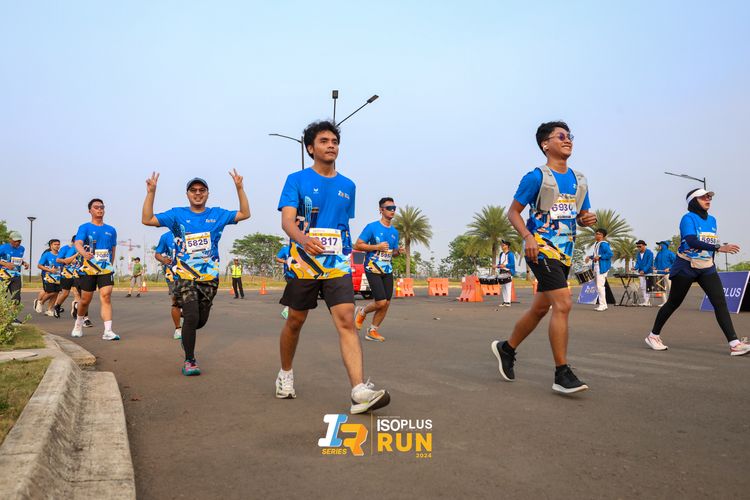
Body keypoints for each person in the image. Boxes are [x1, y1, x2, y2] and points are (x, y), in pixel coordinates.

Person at [275, 120, 390, 414]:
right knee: (295, 320)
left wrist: (346, 252)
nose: (331, 145)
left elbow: (342, 223)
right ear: (310, 148)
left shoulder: (348, 186)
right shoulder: (296, 180)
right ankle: (285, 373)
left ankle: (358, 391)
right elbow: (287, 221)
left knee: (346, 320)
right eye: (324, 141)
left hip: (336, 262)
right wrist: (303, 240)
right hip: (303, 262)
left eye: (335, 141)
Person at [491, 121, 597, 395]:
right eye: (560, 136)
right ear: (545, 144)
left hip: (565, 253)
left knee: (540, 309)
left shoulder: (579, 180)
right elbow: (513, 212)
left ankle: (507, 348)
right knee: (563, 303)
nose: (568, 140)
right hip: (540, 249)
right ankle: (562, 373)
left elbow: (580, 216)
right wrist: (528, 237)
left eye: (570, 135)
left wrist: (586, 220)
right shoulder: (536, 177)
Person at [142, 170, 250, 376]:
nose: (198, 193)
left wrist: (239, 188)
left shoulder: (217, 214)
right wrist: (151, 192)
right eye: (193, 190)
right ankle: (189, 360)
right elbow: (147, 219)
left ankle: (187, 329)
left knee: (199, 321)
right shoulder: (177, 214)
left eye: (202, 190)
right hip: (184, 276)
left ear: (207, 193)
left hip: (209, 277)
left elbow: (245, 213)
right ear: (187, 194)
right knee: (191, 316)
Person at [644, 189, 749, 356]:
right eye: (704, 197)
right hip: (686, 266)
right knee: (673, 303)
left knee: (720, 302)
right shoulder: (688, 218)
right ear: (693, 201)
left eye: (709, 197)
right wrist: (718, 247)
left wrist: (712, 258)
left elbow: (708, 244)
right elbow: (691, 240)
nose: (708, 199)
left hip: (706, 267)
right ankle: (653, 336)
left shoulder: (712, 220)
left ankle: (734, 344)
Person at [353, 197, 401, 342]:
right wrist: (376, 247)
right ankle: (362, 311)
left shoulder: (394, 232)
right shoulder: (372, 227)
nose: (392, 211)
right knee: (380, 302)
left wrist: (398, 251)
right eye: (389, 208)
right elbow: (358, 245)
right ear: (381, 210)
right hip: (372, 268)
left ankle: (372, 331)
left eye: (394, 208)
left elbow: (393, 252)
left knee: (386, 303)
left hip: (387, 270)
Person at [72, 198, 119, 340]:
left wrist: (110, 265)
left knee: (106, 296)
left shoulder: (111, 230)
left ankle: (108, 331)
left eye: (102, 207)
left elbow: (113, 249)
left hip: (105, 268)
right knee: (85, 300)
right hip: (89, 268)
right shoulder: (84, 227)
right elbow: (78, 243)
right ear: (90, 210)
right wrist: (83, 253)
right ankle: (78, 324)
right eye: (96, 207)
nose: (100, 209)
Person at [154, 229, 182, 340]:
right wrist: (163, 260)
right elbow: (157, 254)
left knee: (189, 300)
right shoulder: (165, 236)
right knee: (175, 300)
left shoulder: (190, 232)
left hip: (189, 272)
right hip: (172, 273)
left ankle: (183, 316)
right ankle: (178, 329)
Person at [53, 235, 87, 323]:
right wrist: (70, 259)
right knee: (65, 293)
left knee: (77, 293)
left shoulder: (84, 249)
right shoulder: (66, 248)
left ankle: (78, 311)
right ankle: (57, 306)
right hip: (67, 274)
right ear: (74, 242)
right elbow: (59, 260)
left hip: (78, 274)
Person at [0, 231, 29, 325]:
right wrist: (5, 264)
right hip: (3, 276)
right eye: (16, 241)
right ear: (10, 240)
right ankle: (2, 318)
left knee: (16, 297)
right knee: (2, 297)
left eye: (19, 241)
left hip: (16, 276)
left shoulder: (22, 248)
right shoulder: (3, 247)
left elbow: (18, 259)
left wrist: (24, 263)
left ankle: (13, 318)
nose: (18, 243)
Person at [585, 228, 613, 312]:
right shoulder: (597, 244)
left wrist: (600, 256)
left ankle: (602, 305)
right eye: (596, 233)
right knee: (598, 287)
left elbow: (610, 254)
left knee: (600, 286)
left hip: (602, 267)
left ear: (603, 236)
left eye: (599, 234)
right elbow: (596, 255)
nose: (597, 235)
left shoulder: (604, 244)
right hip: (596, 267)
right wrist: (589, 257)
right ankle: (603, 305)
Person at [36, 239, 62, 317]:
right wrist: (49, 270)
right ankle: (40, 302)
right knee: (50, 292)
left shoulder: (61, 254)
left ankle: (49, 310)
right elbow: (39, 265)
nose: (57, 246)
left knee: (56, 293)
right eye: (55, 244)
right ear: (51, 246)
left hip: (58, 277)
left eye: (58, 244)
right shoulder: (47, 254)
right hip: (48, 277)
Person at [653, 240, 676, 307]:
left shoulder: (670, 253)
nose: (658, 246)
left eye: (660, 245)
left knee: (670, 288)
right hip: (660, 274)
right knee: (661, 288)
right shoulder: (659, 253)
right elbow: (655, 262)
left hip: (668, 274)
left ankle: (671, 303)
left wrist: (669, 268)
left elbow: (675, 262)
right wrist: (655, 266)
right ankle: (664, 302)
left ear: (664, 245)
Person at [634, 239, 654, 306]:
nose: (638, 248)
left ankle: (647, 301)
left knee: (647, 287)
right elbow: (638, 263)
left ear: (644, 246)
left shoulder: (649, 253)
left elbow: (649, 263)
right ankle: (646, 301)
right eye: (637, 246)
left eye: (639, 246)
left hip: (648, 272)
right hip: (641, 272)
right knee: (642, 286)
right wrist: (635, 267)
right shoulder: (638, 254)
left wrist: (644, 270)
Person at [496, 240, 516, 307]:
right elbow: (500, 263)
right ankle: (505, 301)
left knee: (508, 287)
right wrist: (497, 266)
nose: (502, 246)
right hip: (502, 272)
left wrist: (505, 265)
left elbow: (512, 264)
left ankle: (508, 302)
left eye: (503, 245)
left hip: (508, 272)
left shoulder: (510, 254)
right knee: (503, 288)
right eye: (502, 245)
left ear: (507, 246)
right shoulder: (501, 254)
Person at [275, 244, 291, 319]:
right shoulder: (285, 249)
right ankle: (286, 309)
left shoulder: (301, 249)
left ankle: (288, 308)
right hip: (289, 274)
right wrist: (285, 261)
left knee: (297, 293)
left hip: (300, 275)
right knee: (293, 291)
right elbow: (277, 258)